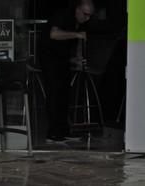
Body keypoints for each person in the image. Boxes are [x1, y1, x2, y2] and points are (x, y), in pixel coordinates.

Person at [42, 0, 95, 142]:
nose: (87, 18)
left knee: (65, 95)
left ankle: (64, 130)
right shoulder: (64, 15)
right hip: (50, 59)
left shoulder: (81, 23)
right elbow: (54, 34)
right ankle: (53, 133)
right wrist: (76, 35)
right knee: (55, 94)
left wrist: (78, 59)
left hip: (63, 59)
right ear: (78, 9)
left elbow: (78, 43)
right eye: (85, 14)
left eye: (90, 15)